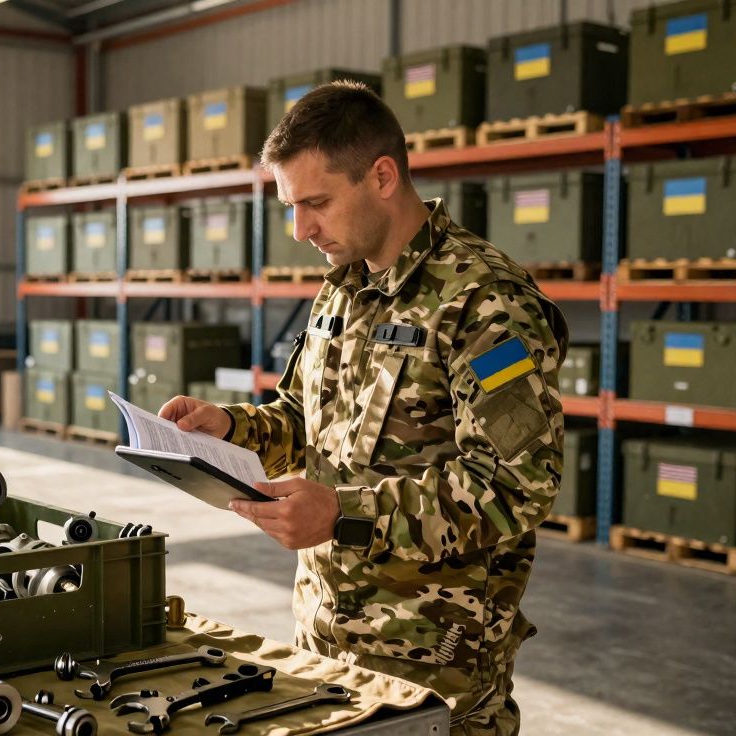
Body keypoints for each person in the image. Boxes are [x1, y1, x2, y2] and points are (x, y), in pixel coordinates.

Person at [158, 81, 568, 736]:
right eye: (292, 206)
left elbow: (516, 489)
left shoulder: (485, 302)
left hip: (435, 670)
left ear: (382, 176)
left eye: (316, 203)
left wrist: (343, 514)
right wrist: (231, 425)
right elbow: (303, 417)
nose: (302, 229)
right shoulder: (342, 289)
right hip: (325, 645)